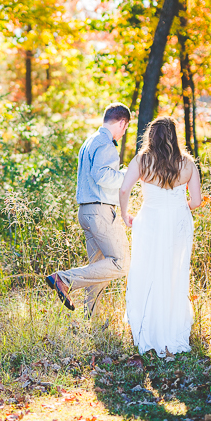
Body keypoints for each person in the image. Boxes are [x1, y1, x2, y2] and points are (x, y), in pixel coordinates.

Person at [119, 116, 202, 359]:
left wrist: (125, 214)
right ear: (174, 137)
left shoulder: (143, 160)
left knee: (148, 270)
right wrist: (179, 207)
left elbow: (124, 189)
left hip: (151, 221)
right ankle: (171, 325)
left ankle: (149, 325)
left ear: (151, 137)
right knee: (173, 272)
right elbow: (196, 201)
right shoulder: (188, 163)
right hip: (178, 222)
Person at [45, 103, 131, 316]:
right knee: (121, 263)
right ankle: (63, 278)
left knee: (98, 269)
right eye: (125, 128)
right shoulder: (106, 144)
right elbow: (102, 176)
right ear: (122, 122)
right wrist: (128, 176)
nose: (123, 133)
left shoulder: (89, 141)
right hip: (100, 212)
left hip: (86, 211)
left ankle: (90, 319)